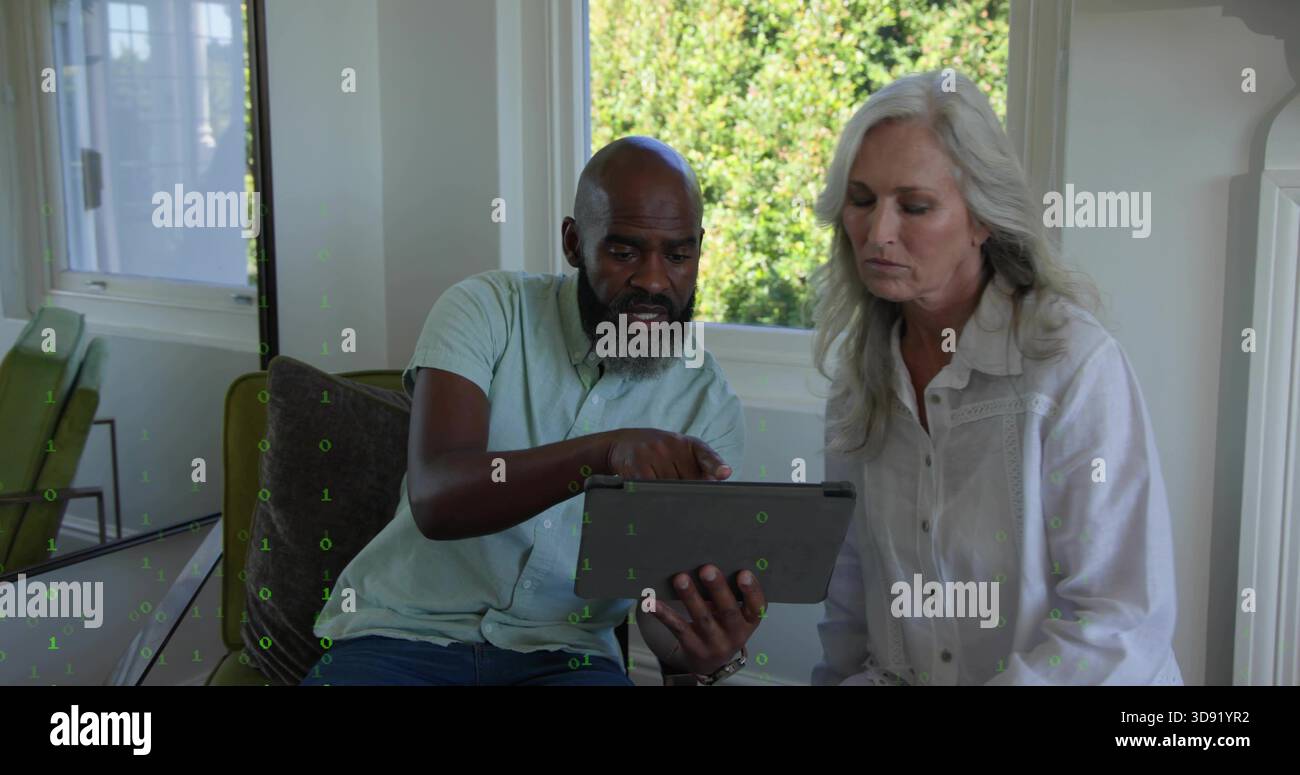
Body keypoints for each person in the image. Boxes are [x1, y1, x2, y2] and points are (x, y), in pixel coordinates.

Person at [301, 136, 765, 686]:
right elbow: (437, 498)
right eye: (624, 252)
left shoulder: (705, 403)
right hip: (402, 637)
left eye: (678, 254)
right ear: (574, 243)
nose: (654, 280)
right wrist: (604, 455)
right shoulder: (485, 309)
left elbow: (659, 616)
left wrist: (701, 650)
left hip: (566, 658)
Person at [809, 70, 1182, 685]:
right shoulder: (858, 381)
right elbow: (851, 607)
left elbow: (1120, 622)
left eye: (915, 206)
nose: (878, 233)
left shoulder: (1073, 365)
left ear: (982, 218)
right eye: (861, 199)